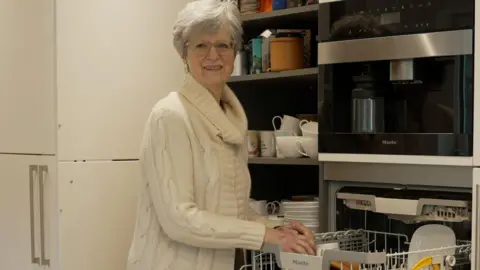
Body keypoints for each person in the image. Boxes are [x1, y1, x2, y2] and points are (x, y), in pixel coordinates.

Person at [126, 0, 316, 269]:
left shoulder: (229, 118)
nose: (212, 55)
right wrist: (264, 236)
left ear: (235, 51)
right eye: (201, 45)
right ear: (184, 54)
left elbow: (231, 212)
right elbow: (180, 220)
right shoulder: (170, 116)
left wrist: (282, 231)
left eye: (223, 45)